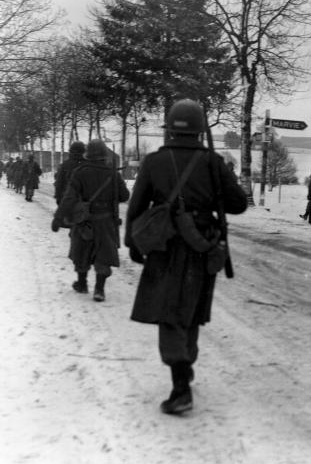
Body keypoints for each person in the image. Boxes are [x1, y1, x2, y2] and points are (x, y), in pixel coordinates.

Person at [125, 98, 247, 415]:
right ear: (199, 131)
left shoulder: (154, 161)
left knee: (169, 313)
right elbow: (238, 204)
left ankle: (181, 388)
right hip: (202, 246)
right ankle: (185, 367)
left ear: (170, 130)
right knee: (191, 310)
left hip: (164, 248)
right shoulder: (213, 161)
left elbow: (136, 207)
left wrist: (134, 245)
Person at [52, 139, 130, 301]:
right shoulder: (112, 173)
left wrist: (59, 218)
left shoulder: (80, 172)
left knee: (81, 251)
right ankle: (99, 290)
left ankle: (82, 284)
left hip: (83, 220)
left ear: (89, 155)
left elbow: (69, 198)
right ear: (104, 155)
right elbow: (125, 196)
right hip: (106, 221)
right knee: (104, 254)